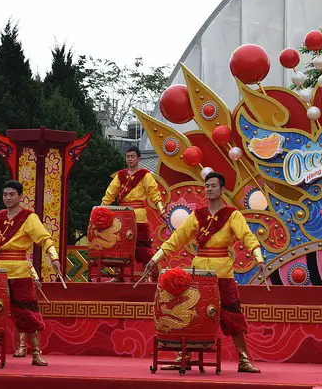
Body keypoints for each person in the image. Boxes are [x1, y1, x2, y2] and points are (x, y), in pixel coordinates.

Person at [141, 172, 266, 373]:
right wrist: (155, 259)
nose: (209, 188)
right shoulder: (197, 215)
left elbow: (247, 236)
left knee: (233, 315)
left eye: (213, 185)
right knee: (191, 315)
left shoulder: (232, 215)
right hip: (199, 275)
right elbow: (177, 238)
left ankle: (243, 360)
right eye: (207, 185)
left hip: (223, 274)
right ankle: (184, 356)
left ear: (222, 189)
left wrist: (258, 258)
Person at [0, 180, 61, 366]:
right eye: (5, 194)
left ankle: (36, 353)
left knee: (28, 313)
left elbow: (44, 239)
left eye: (12, 194)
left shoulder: (29, 218)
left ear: (20, 196)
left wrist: (54, 258)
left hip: (21, 274)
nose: (7, 197)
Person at [101, 146, 166, 279]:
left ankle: (149, 275)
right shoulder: (121, 175)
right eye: (128, 156)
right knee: (121, 246)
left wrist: (162, 210)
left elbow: (154, 193)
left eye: (132, 156)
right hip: (122, 216)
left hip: (139, 216)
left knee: (142, 246)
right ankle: (119, 276)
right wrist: (101, 209)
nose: (129, 159)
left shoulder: (145, 175)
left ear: (138, 158)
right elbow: (110, 193)